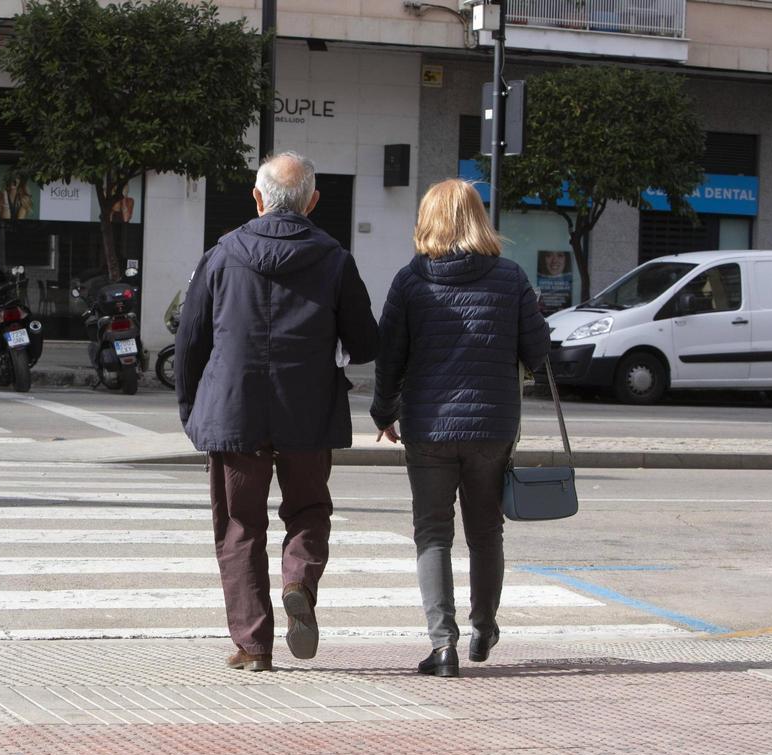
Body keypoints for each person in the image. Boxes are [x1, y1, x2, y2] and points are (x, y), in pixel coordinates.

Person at [175, 151, 378, 672]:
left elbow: (190, 341)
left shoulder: (221, 254)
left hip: (233, 411)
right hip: (307, 411)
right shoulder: (334, 258)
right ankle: (298, 582)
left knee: (239, 526)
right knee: (308, 511)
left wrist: (192, 412)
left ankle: (253, 646)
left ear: (258, 197)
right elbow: (365, 341)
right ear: (312, 201)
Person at [371, 179, 550, 678]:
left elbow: (390, 357)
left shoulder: (410, 281)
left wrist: (384, 412)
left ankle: (442, 645)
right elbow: (538, 353)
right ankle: (482, 627)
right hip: (492, 426)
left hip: (427, 426)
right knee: (486, 531)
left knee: (432, 534)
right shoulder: (511, 278)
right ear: (479, 219)